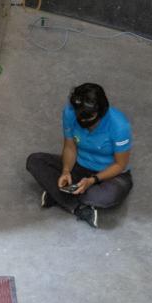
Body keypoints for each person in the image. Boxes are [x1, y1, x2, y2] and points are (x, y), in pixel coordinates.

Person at [26, 83, 132, 228]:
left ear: (101, 111)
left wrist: (92, 180)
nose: (86, 124)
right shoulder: (69, 113)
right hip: (80, 166)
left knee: (106, 197)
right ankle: (79, 208)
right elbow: (70, 147)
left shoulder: (119, 125)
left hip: (112, 174)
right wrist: (65, 171)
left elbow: (120, 165)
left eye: (90, 119)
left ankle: (58, 195)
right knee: (35, 161)